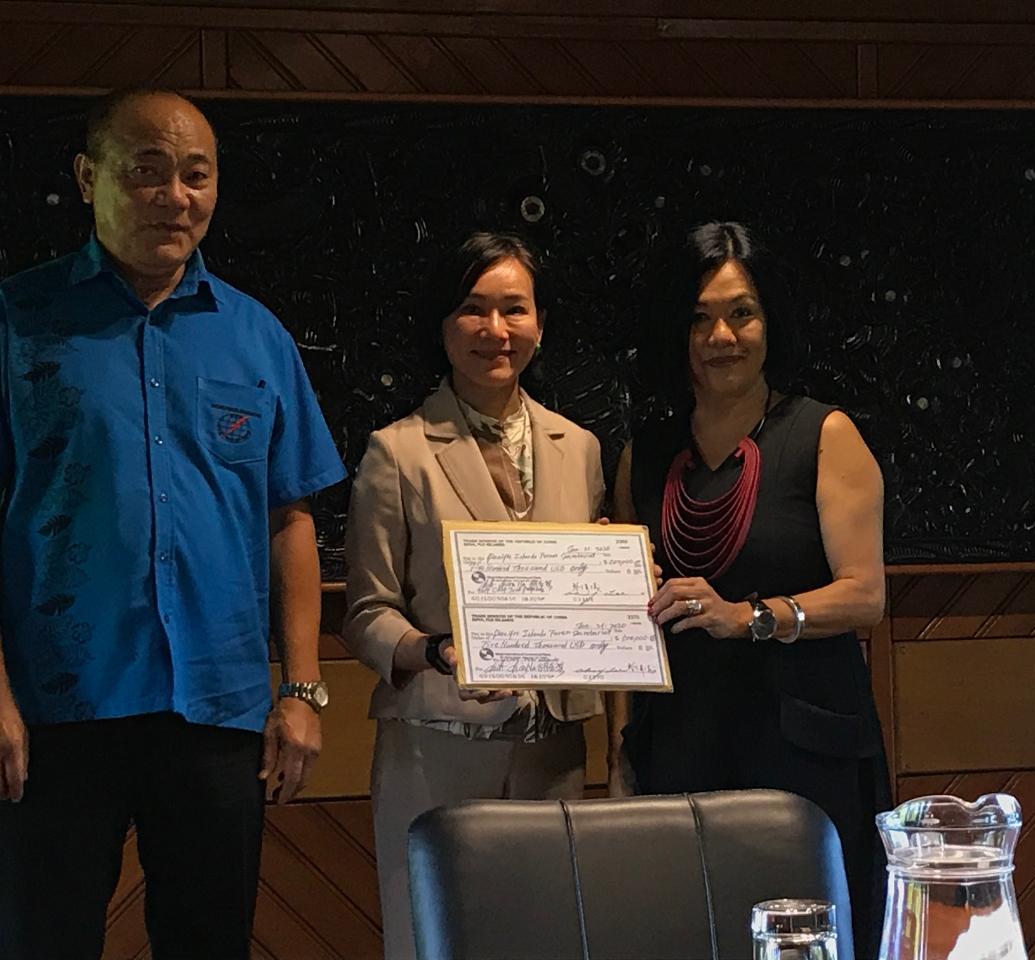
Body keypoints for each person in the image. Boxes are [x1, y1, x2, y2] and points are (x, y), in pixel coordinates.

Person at [0, 88, 346, 959]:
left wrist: (301, 691)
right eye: (147, 171)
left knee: (209, 944)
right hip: (53, 710)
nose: (175, 197)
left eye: (196, 174)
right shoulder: (11, 321)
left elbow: (289, 518)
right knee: (40, 943)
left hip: (217, 711)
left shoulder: (257, 336)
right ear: (89, 178)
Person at [608, 221, 891, 956]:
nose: (721, 336)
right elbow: (629, 618)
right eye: (699, 317)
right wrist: (620, 744)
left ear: (771, 323)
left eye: (742, 313)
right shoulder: (645, 456)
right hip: (681, 745)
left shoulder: (825, 434)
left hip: (805, 754)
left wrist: (749, 617)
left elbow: (865, 595)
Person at [343, 231, 605, 960]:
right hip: (438, 750)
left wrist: (618, 588)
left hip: (554, 749)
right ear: (443, 324)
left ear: (541, 322)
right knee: (437, 941)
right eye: (472, 309)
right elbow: (365, 614)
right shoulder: (397, 450)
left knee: (550, 944)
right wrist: (434, 651)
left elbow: (585, 593)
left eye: (514, 309)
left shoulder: (579, 447)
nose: (496, 330)